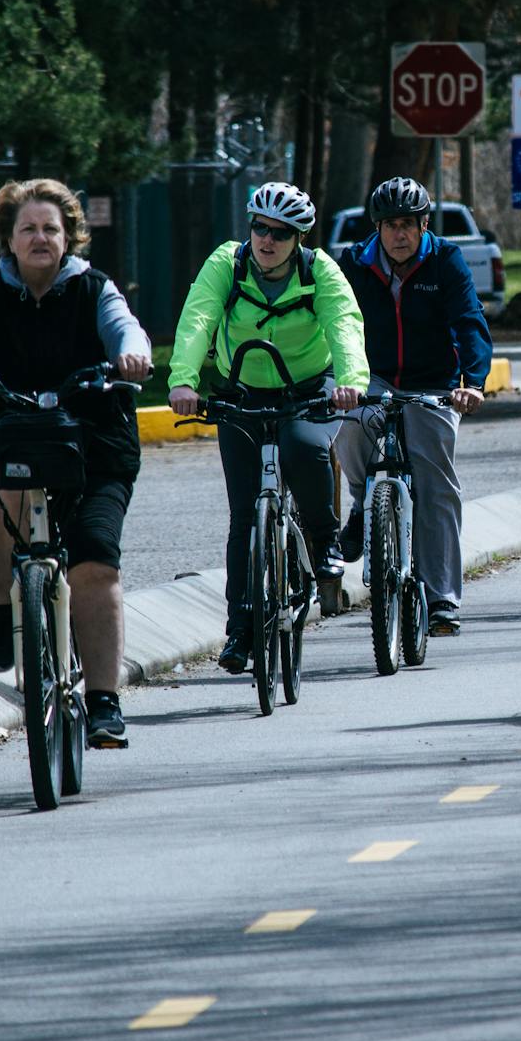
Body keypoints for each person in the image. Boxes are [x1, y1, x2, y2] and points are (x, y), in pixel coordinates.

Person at [0, 178, 152, 748]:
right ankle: (3, 609)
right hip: (8, 435)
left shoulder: (95, 289)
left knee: (94, 566)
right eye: (28, 228)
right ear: (8, 238)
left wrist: (133, 354)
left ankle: (104, 702)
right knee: (6, 490)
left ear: (70, 236)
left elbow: (126, 328)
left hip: (95, 444)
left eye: (52, 228)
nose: (41, 237)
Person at [168, 181, 368, 674]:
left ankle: (324, 544)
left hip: (308, 388)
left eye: (281, 232)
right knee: (242, 516)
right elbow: (198, 318)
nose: (268, 239)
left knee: (305, 448)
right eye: (260, 227)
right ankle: (239, 630)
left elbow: (344, 324)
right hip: (241, 391)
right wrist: (183, 381)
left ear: (299, 238)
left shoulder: (319, 270)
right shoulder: (227, 264)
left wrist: (351, 381)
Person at [333, 176, 492, 637]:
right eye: (390, 225)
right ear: (377, 227)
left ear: (424, 225)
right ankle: (365, 504)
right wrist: (340, 381)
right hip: (374, 375)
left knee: (436, 483)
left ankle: (441, 598)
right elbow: (338, 324)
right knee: (352, 422)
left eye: (408, 224)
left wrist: (473, 383)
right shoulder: (355, 263)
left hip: (434, 382)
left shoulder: (446, 260)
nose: (399, 234)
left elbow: (469, 322)